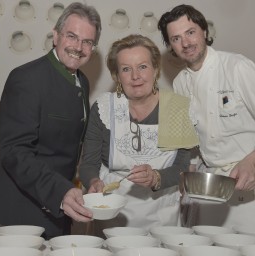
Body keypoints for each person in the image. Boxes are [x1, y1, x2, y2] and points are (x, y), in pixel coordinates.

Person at [158, 4, 255, 228]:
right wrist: (187, 171)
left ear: (204, 31)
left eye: (190, 33)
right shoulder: (179, 82)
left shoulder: (237, 67)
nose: (186, 43)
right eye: (176, 38)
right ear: (171, 46)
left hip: (253, 179)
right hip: (211, 184)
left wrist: (252, 162)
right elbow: (191, 139)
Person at [0, 2, 101, 239]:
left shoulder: (82, 82)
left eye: (87, 42)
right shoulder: (26, 78)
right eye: (71, 36)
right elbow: (14, 152)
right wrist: (60, 191)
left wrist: (86, 181)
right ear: (55, 35)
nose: (78, 47)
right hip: (24, 205)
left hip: (60, 204)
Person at [78, 34, 198, 237]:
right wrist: (92, 182)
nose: (135, 76)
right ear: (117, 75)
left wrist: (156, 177)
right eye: (126, 69)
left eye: (142, 66)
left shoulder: (177, 108)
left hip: (162, 214)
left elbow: (182, 167)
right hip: (112, 213)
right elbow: (88, 163)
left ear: (155, 70)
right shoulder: (105, 108)